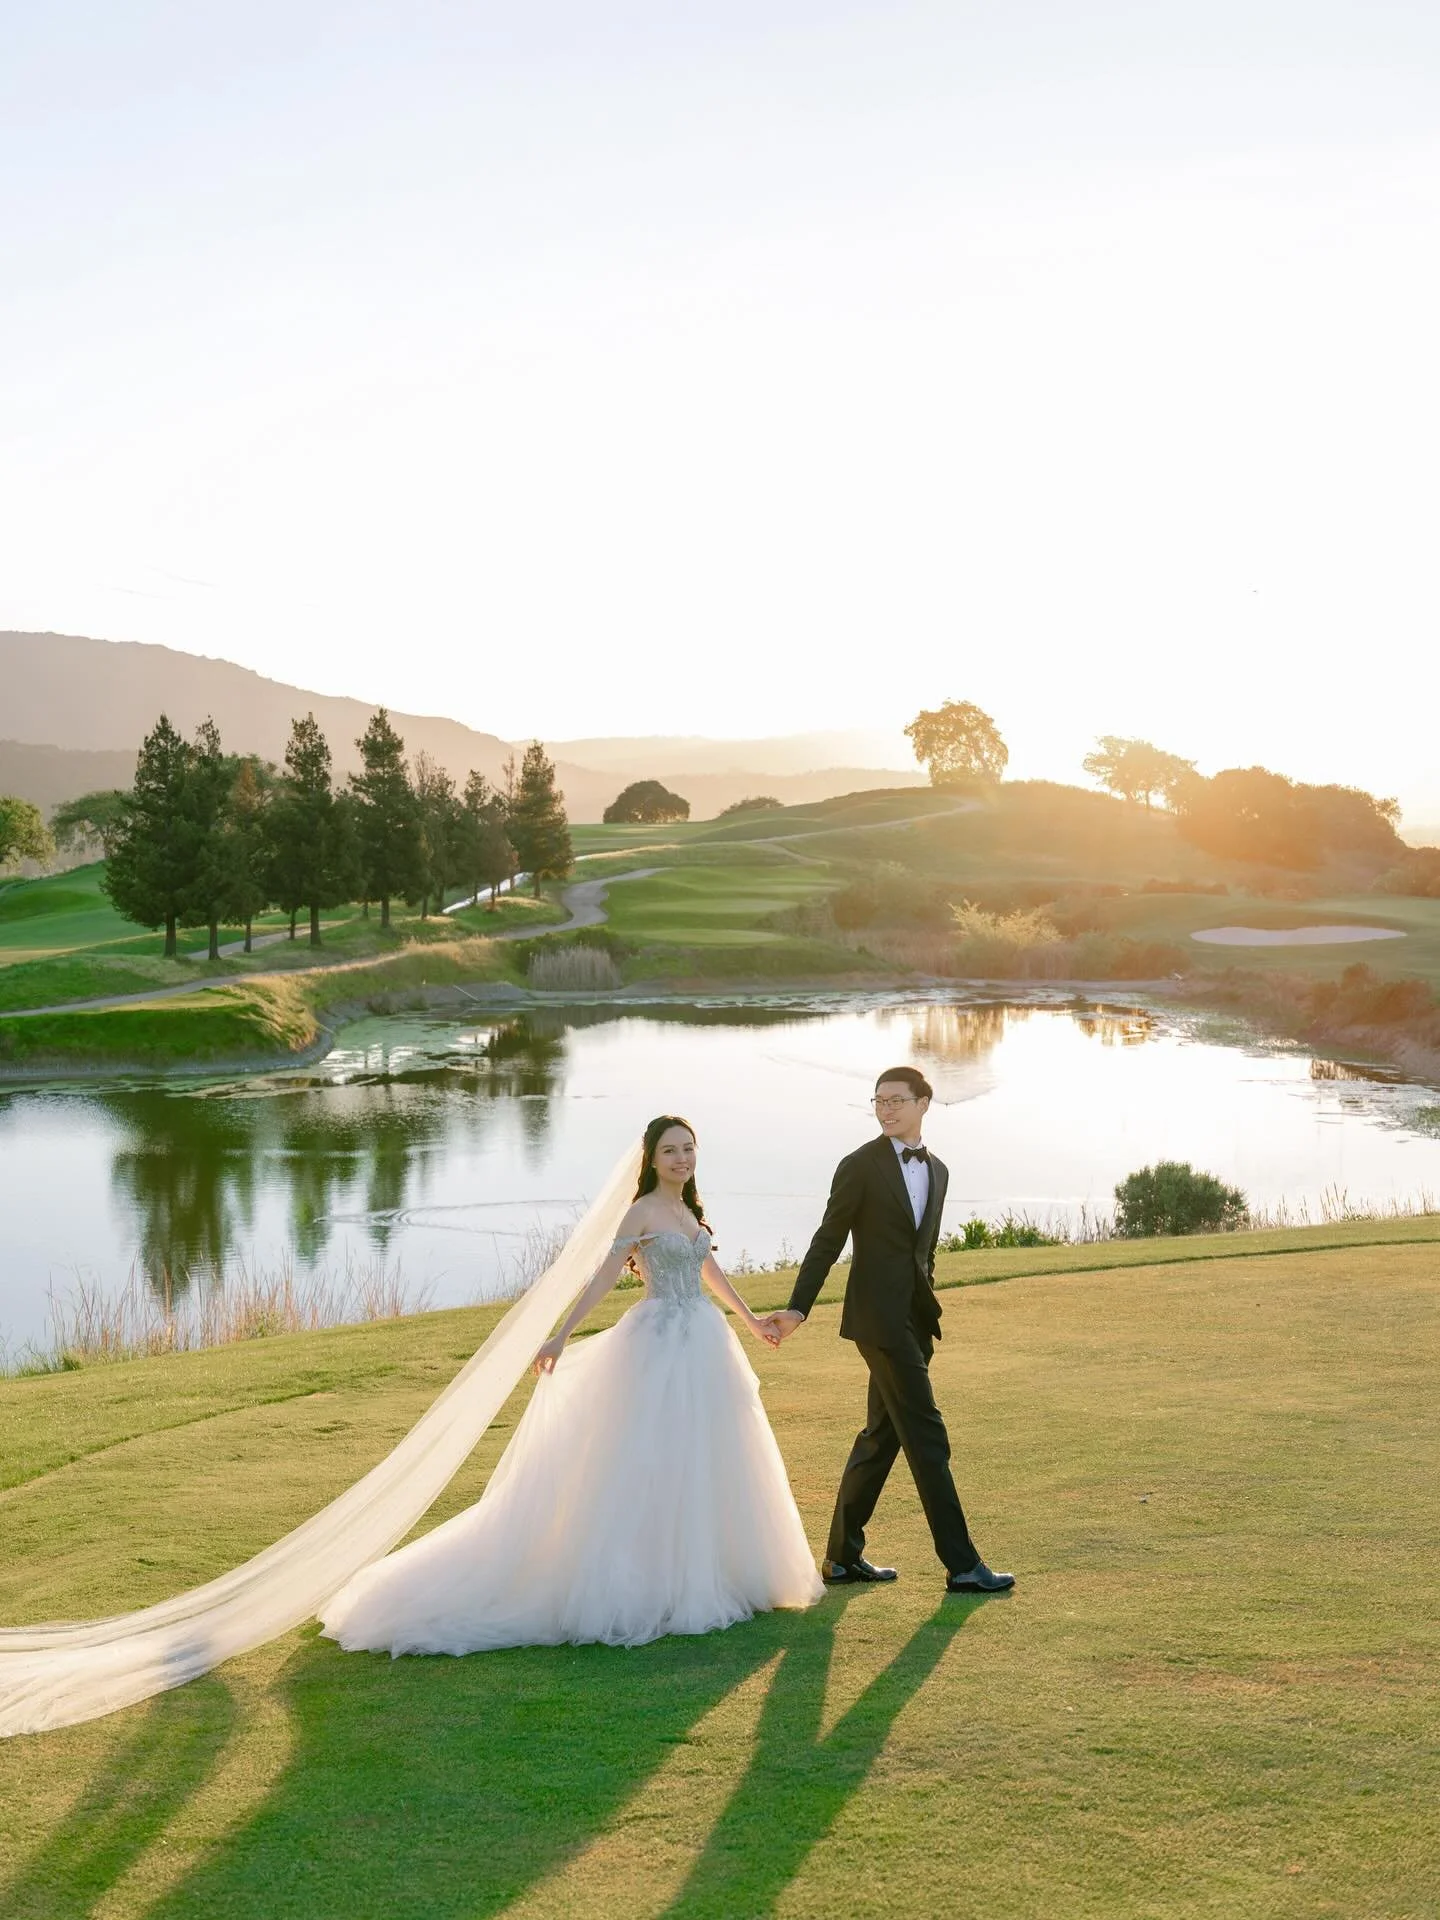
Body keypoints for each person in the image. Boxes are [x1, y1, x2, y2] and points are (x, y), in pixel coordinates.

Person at [320, 1116, 824, 1655]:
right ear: (651, 1160)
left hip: (703, 1339)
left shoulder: (686, 1211)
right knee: (647, 1457)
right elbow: (605, 1276)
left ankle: (713, 1572)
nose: (681, 1158)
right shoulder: (643, 1210)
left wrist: (751, 1322)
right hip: (656, 1343)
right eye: (670, 1150)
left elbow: (709, 1271)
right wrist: (560, 1336)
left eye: (688, 1149)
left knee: (706, 1455)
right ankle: (645, 1581)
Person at [763, 1066, 1014, 1596]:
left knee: (881, 1437)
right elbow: (828, 1238)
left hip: (914, 1322)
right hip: (876, 1322)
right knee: (927, 1436)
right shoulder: (859, 1166)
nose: (886, 1110)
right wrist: (798, 1308)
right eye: (879, 1101)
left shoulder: (939, 1171)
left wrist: (928, 1312)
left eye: (897, 1101)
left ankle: (839, 1558)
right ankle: (963, 1564)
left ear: (925, 1103)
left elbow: (924, 1253)